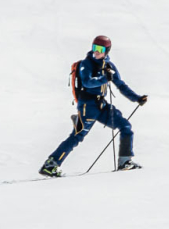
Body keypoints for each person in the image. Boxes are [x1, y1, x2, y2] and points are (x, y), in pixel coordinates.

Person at [40, 35, 148, 176]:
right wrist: (104, 78)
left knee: (125, 126)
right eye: (94, 48)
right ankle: (51, 165)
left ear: (106, 51)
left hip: (101, 106)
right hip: (87, 107)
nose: (96, 51)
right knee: (77, 136)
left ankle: (125, 162)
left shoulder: (109, 66)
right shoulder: (86, 64)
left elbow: (120, 85)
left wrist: (137, 98)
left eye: (100, 49)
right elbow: (87, 82)